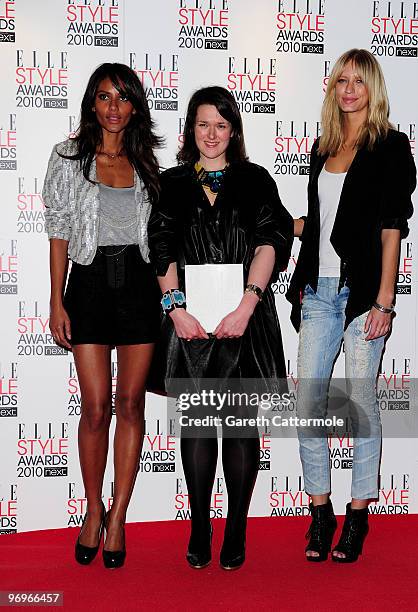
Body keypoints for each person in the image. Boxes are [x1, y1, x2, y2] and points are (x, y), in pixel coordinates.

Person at [148, 86, 293, 570]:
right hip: (189, 321)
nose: (212, 134)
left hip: (243, 320)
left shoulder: (255, 180)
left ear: (234, 130)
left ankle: (235, 527)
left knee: (238, 425)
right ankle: (199, 525)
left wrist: (247, 305)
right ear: (191, 128)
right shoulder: (171, 183)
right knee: (197, 424)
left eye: (221, 125)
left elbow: (271, 240)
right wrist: (175, 308)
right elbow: (161, 244)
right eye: (203, 124)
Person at [287, 49, 415, 563]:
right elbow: (320, 224)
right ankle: (320, 513)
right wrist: (274, 228)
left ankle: (358, 512)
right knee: (308, 405)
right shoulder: (322, 147)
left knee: (361, 405)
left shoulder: (391, 147)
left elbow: (391, 231)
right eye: (341, 80)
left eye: (358, 81)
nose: (348, 90)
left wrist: (385, 300)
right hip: (318, 290)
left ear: (373, 88)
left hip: (363, 294)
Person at [43, 62, 162, 569]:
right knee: (96, 410)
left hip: (139, 286)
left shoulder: (147, 163)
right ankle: (92, 510)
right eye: (104, 96)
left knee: (131, 405)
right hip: (89, 285)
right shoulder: (68, 157)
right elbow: (58, 230)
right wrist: (56, 300)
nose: (114, 107)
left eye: (123, 97)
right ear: (92, 103)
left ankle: (119, 517)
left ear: (135, 106)